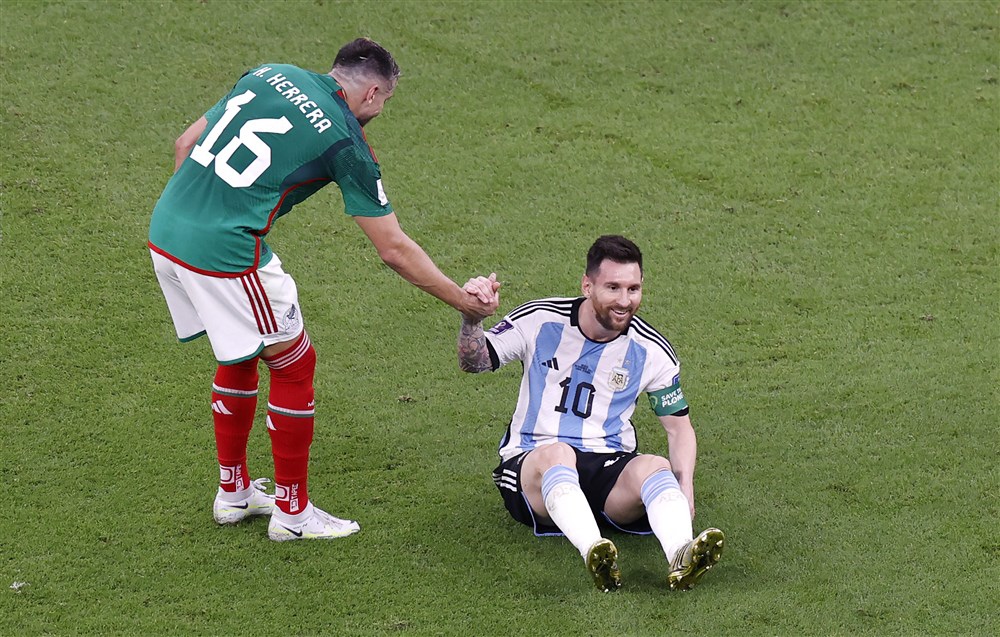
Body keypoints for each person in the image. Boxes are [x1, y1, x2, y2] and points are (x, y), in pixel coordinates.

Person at [149, 38, 499, 542]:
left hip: (165, 229)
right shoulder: (346, 141)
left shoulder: (269, 73)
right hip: (226, 250)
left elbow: (185, 145)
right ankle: (292, 515)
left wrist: (195, 219)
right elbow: (393, 248)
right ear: (373, 92)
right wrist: (464, 301)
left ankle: (234, 494)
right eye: (386, 101)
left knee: (242, 348)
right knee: (293, 361)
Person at [457, 235, 723, 591]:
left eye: (633, 288)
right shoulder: (540, 320)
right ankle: (594, 550)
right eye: (613, 287)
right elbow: (474, 363)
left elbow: (679, 429)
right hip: (533, 467)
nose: (625, 301)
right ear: (587, 285)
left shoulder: (652, 351)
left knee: (655, 466)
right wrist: (472, 319)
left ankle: (680, 553)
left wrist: (685, 486)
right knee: (558, 454)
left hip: (606, 470)